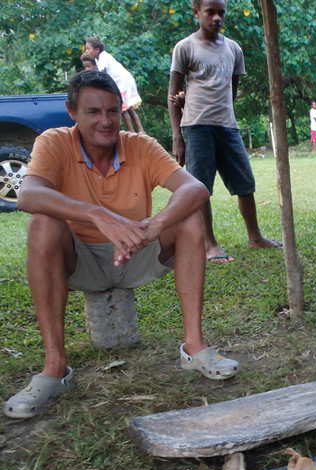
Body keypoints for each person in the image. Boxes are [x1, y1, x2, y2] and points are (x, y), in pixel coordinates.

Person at [3, 70, 240, 420]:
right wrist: (96, 214)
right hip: (79, 259)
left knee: (189, 217)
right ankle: (54, 366)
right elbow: (29, 194)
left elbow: (195, 188)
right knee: (43, 224)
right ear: (72, 112)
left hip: (137, 252)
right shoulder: (54, 141)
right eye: (93, 112)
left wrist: (154, 225)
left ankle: (194, 346)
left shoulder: (140, 145)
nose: (105, 121)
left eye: (112, 111)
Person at [168, 0, 281, 263]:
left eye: (221, 12)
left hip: (228, 126)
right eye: (210, 12)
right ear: (197, 13)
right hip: (196, 127)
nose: (217, 18)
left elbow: (231, 91)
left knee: (245, 184)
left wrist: (222, 114)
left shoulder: (234, 49)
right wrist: (177, 136)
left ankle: (255, 237)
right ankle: (210, 244)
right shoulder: (185, 48)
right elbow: (173, 94)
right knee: (200, 188)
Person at [83, 36, 145, 134]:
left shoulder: (103, 57)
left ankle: (133, 132)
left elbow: (102, 75)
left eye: (88, 49)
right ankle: (140, 131)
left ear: (97, 49)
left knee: (124, 109)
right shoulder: (99, 59)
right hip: (122, 82)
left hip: (122, 82)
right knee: (128, 109)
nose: (86, 51)